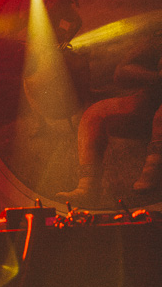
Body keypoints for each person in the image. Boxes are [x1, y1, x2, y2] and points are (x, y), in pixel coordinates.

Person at [57, 31, 162, 206]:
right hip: (150, 98)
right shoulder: (156, 40)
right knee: (94, 116)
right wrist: (155, 77)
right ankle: (87, 187)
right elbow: (122, 72)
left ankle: (154, 169)